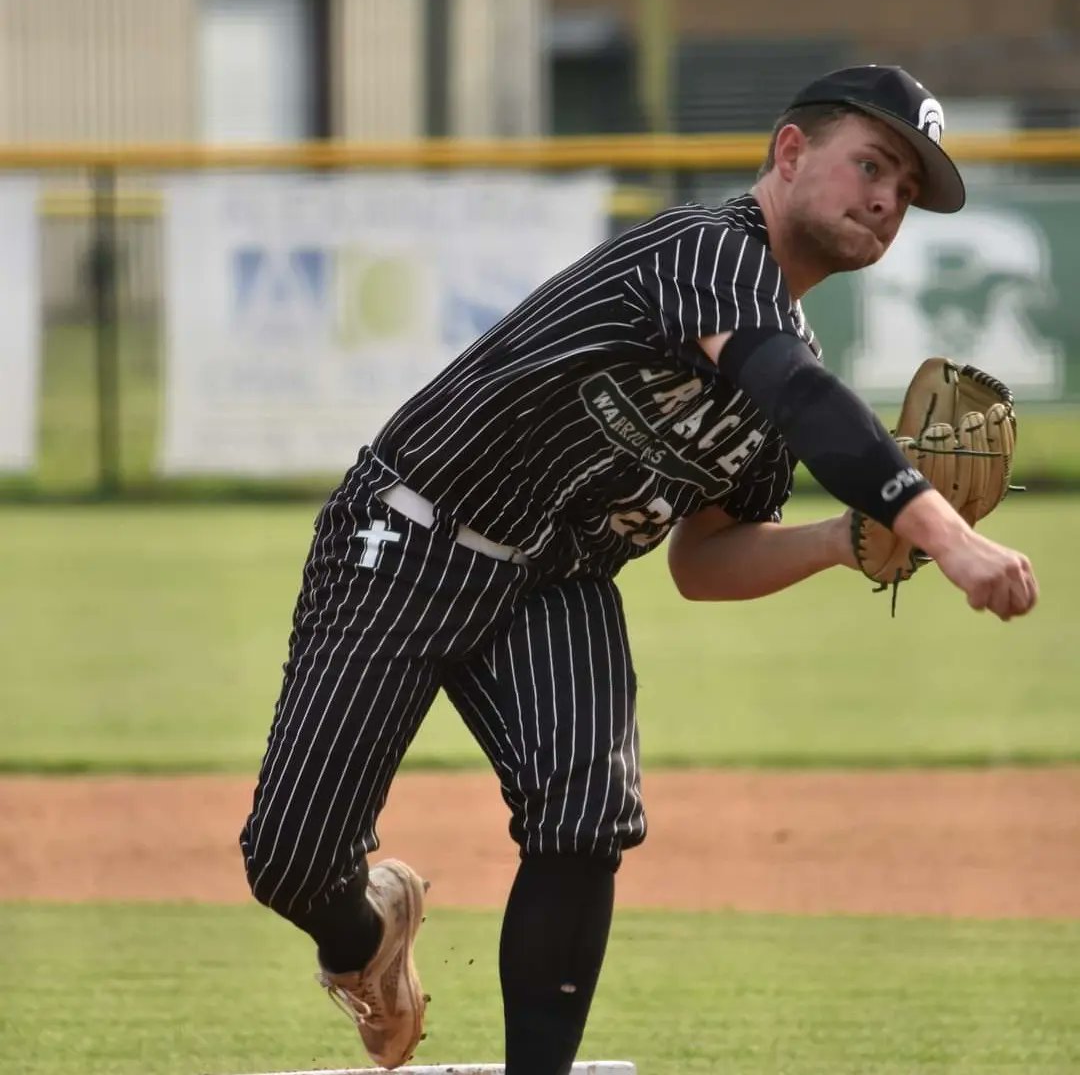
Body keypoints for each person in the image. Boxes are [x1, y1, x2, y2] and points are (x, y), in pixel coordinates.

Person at [239, 65, 1038, 1074]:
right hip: (410, 535)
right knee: (292, 862)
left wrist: (845, 543)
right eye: (871, 164)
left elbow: (704, 562)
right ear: (791, 154)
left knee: (586, 815)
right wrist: (948, 537)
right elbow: (802, 395)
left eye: (907, 191)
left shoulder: (779, 362)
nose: (886, 199)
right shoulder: (705, 253)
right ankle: (367, 941)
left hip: (556, 578)